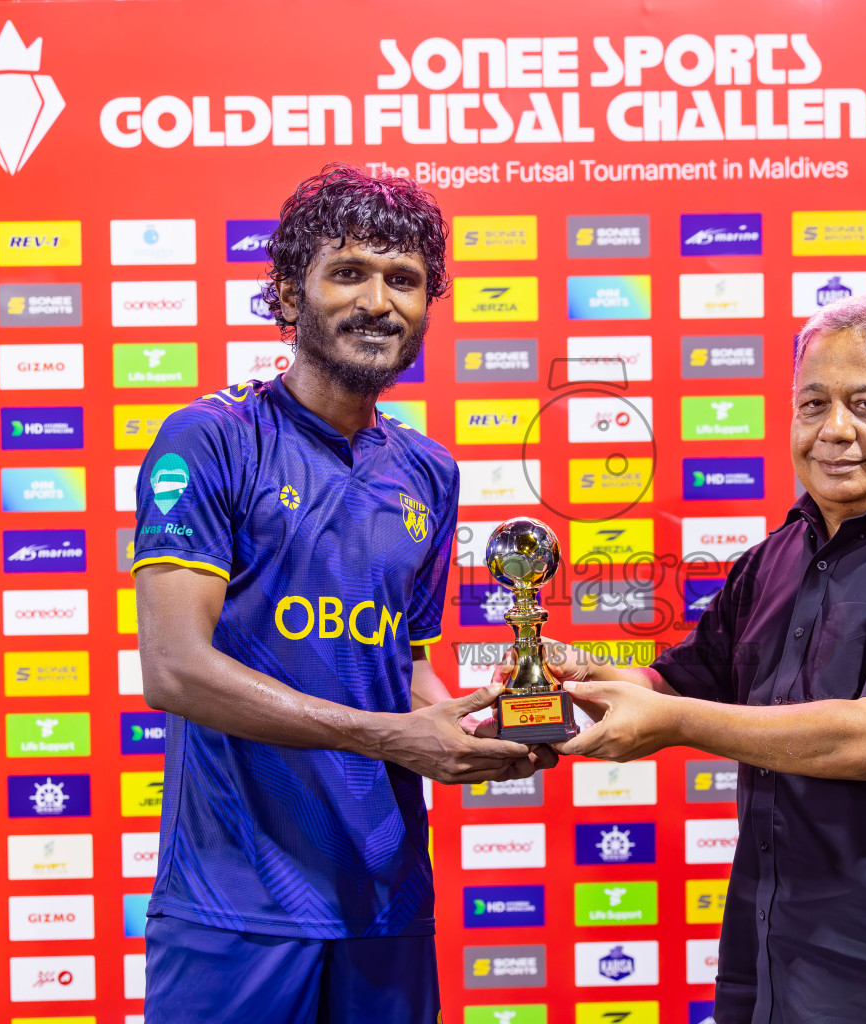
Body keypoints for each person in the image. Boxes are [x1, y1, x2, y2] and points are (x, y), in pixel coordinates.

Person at [131, 164, 551, 1023]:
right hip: (237, 899)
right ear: (290, 293)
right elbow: (174, 671)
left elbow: (403, 670)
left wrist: (480, 721)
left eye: (404, 281)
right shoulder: (212, 440)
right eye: (349, 272)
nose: (379, 302)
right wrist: (391, 737)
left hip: (385, 897)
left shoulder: (429, 471)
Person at [542, 294, 866, 1024]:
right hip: (771, 969)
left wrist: (669, 718)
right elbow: (681, 679)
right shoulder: (774, 557)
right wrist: (578, 676)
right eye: (813, 405)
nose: (835, 431)